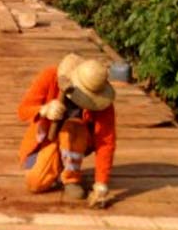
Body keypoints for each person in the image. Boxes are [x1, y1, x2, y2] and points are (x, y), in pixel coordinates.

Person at [16, 53, 116, 206]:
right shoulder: (50, 77)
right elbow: (23, 110)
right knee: (35, 183)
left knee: (73, 127)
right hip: (47, 141)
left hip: (76, 141)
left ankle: (71, 177)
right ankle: (56, 167)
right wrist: (44, 109)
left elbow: (106, 143)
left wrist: (101, 184)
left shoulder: (102, 103)